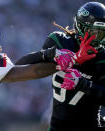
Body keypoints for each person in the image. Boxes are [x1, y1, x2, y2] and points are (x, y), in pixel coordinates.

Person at [15, 2, 105, 131]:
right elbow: (19, 67)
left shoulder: (102, 56)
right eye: (94, 32)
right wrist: (49, 54)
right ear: (80, 27)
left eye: (102, 34)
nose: (98, 39)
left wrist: (84, 84)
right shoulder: (60, 42)